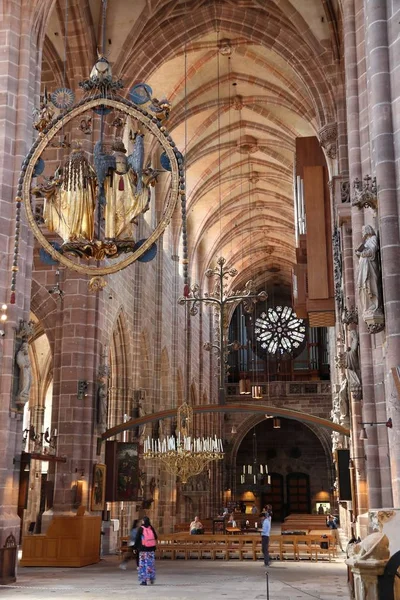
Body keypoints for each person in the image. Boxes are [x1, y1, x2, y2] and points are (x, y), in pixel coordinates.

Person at [135, 516, 158, 585]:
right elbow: (156, 537)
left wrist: (135, 547)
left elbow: (137, 539)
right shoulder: (151, 528)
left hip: (143, 550)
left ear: (143, 521)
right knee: (150, 564)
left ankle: (144, 580)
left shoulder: (141, 529)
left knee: (143, 565)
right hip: (151, 549)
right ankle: (151, 578)